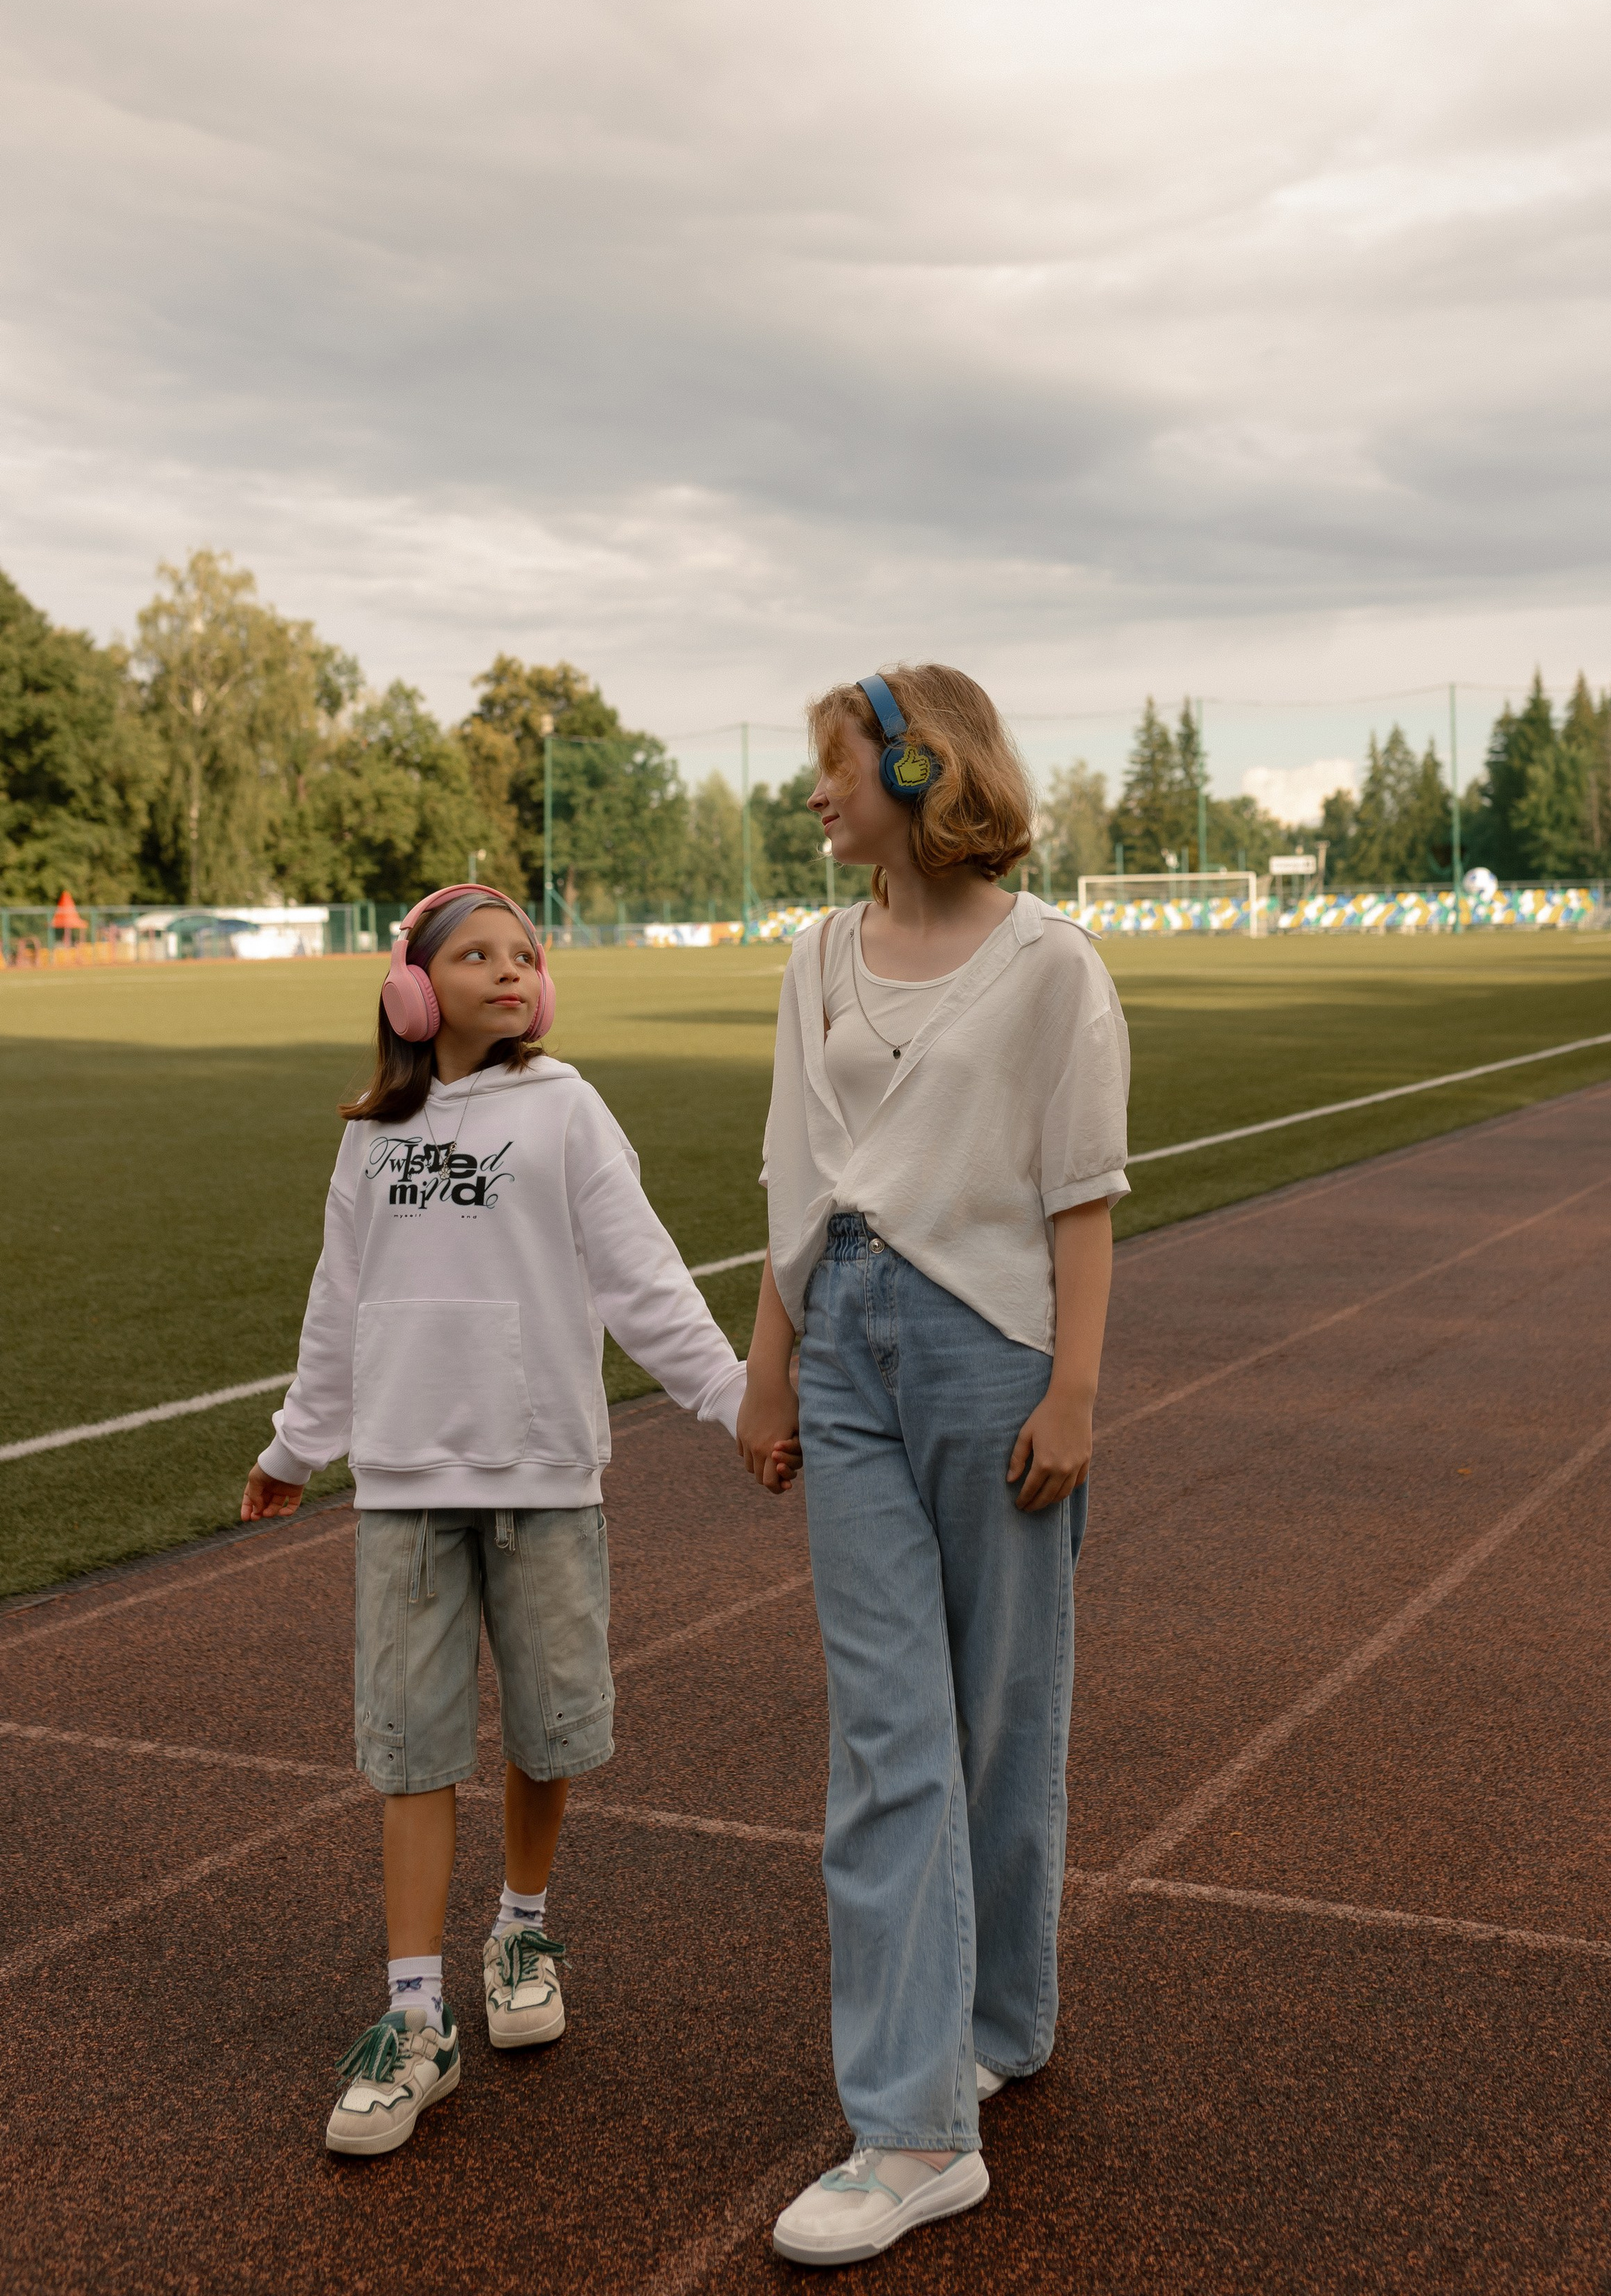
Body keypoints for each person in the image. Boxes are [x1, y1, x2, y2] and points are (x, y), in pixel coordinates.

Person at [239, 885, 747, 2157]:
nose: (510, 972)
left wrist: (734, 1398)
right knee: (410, 1749)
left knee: (547, 1722)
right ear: (413, 989)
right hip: (405, 1485)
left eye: (525, 955)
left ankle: (520, 1926)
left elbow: (642, 1273)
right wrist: (298, 1448)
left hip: (542, 1475)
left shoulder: (565, 1107)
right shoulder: (371, 1136)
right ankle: (416, 2020)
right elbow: (335, 1312)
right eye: (476, 955)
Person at [737, 668, 1129, 2268]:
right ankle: (910, 2129)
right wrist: (770, 1371)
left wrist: (1079, 1392)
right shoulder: (813, 956)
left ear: (918, 766)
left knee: (999, 1713)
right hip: (841, 1350)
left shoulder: (1051, 970)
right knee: (887, 1735)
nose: (813, 794)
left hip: (994, 1358)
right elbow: (791, 1168)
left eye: (833, 767)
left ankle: (1000, 2020)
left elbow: (1080, 1193)